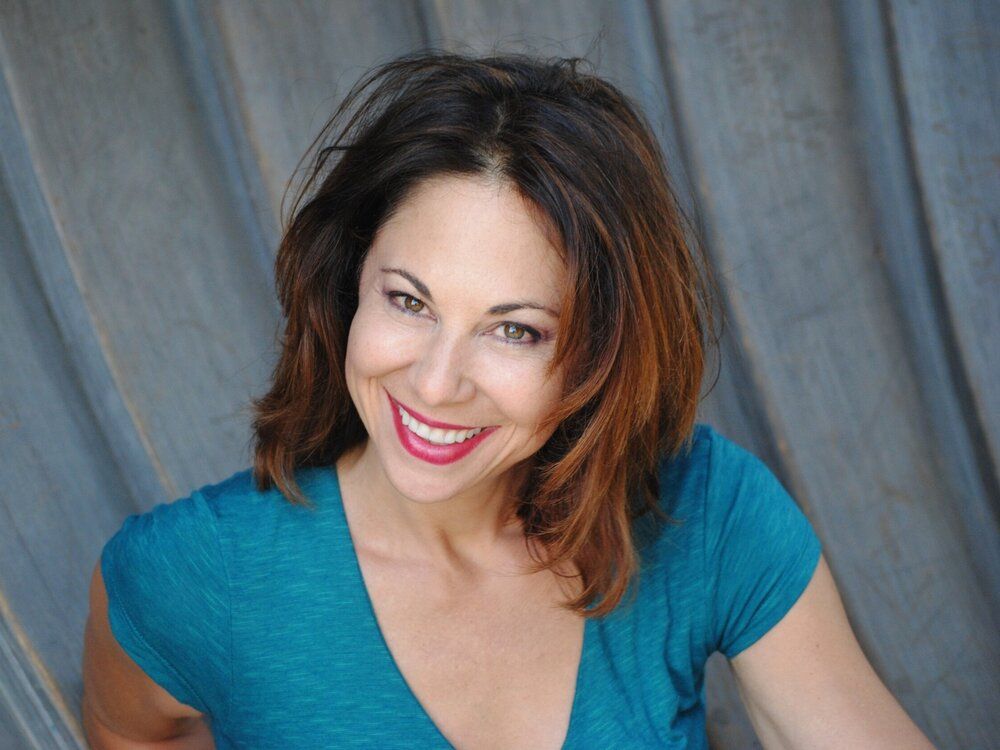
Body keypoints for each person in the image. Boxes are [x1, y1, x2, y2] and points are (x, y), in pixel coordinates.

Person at [81, 50, 935, 749]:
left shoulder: (703, 513)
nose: (435, 382)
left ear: (600, 351)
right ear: (348, 286)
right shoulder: (192, 574)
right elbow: (131, 733)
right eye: (408, 301)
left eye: (515, 330)